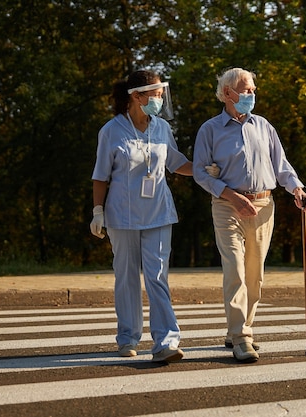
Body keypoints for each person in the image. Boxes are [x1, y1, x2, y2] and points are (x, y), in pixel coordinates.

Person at [193, 67, 306, 363]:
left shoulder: (264, 126)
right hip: (226, 206)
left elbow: (280, 164)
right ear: (228, 93)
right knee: (234, 270)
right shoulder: (210, 129)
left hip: (263, 205)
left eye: (253, 89)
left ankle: (240, 328)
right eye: (246, 89)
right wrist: (231, 195)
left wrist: (296, 189)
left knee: (254, 276)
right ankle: (242, 337)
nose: (252, 94)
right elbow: (199, 172)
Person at [89, 69, 191, 363]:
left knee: (157, 276)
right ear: (137, 97)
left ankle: (166, 341)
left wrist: (203, 169)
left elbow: (176, 163)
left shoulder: (162, 129)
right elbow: (100, 176)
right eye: (156, 95)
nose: (160, 100)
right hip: (122, 216)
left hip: (159, 213)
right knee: (126, 277)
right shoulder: (111, 130)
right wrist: (98, 212)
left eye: (161, 95)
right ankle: (128, 336)